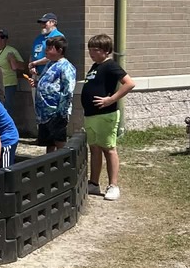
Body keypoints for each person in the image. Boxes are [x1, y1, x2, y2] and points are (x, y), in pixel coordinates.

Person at [82, 33, 136, 201]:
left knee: (108, 148)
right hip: (91, 115)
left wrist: (111, 99)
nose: (91, 53)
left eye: (95, 50)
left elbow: (129, 83)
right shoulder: (95, 66)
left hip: (105, 115)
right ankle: (94, 183)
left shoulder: (111, 65)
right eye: (90, 50)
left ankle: (113, 185)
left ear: (106, 50)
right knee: (94, 148)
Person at [34, 36, 76, 152]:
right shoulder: (50, 64)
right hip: (44, 113)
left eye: (49, 48)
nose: (46, 51)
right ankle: (50, 161)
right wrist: (37, 84)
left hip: (56, 112)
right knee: (49, 142)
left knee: (58, 140)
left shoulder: (66, 66)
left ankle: (63, 160)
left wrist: (61, 112)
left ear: (59, 50)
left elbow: (68, 90)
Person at [0, 29, 25, 116]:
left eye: (2, 37)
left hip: (8, 84)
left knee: (6, 107)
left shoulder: (11, 50)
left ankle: (7, 124)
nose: (0, 39)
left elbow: (22, 67)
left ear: (6, 39)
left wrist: (12, 59)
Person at [28, 12, 64, 81]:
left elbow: (53, 56)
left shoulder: (58, 37)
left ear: (53, 22)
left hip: (51, 76)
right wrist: (32, 67)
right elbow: (32, 55)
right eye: (41, 23)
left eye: (44, 22)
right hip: (37, 76)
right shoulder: (38, 38)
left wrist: (35, 63)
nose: (42, 25)